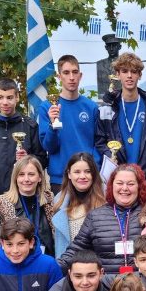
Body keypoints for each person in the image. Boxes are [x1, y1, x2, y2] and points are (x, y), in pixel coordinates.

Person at [58, 164, 146, 274]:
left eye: (130, 184)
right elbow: (76, 250)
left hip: (142, 282)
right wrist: (52, 268)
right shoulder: (95, 217)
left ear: (139, 187)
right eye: (119, 183)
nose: (125, 188)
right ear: (111, 186)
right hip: (106, 282)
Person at [0, 77, 47, 197]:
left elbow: (43, 160)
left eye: (9, 98)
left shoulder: (30, 126)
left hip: (24, 195)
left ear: (17, 97)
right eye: (0, 97)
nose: (5, 102)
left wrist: (29, 159)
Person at [39, 55, 99, 193]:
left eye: (75, 72)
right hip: (60, 179)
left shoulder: (91, 107)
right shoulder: (47, 107)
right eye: (66, 73)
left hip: (86, 178)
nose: (71, 77)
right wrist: (53, 126)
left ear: (80, 75)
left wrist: (94, 168)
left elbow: (98, 143)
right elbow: (49, 147)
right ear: (59, 76)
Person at [95, 52, 146, 181]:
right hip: (119, 177)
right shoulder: (107, 108)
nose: (129, 76)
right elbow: (99, 141)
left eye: (134, 71)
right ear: (118, 75)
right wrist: (110, 156)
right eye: (124, 71)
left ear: (140, 75)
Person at [0, 155, 55, 258]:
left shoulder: (51, 203)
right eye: (21, 174)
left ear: (39, 178)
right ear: (15, 178)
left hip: (45, 262)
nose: (26, 179)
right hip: (13, 263)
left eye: (31, 174)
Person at [51, 152, 106, 256]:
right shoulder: (58, 202)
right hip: (68, 263)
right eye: (77, 172)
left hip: (97, 263)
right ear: (69, 174)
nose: (82, 176)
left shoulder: (106, 201)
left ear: (94, 174)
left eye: (87, 171)